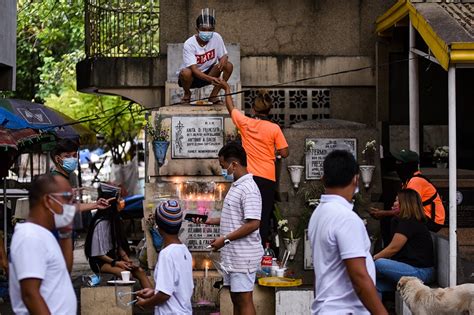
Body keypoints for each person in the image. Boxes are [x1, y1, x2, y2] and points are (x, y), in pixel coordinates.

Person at [308, 150, 387, 315]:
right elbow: (359, 277)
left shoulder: (319, 213)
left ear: (323, 179)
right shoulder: (346, 219)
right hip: (344, 310)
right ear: (356, 179)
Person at [219, 78, 289, 244]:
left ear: (253, 109)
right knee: (263, 217)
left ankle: (243, 246)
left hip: (248, 178)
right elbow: (285, 152)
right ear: (269, 110)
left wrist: (226, 87)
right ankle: (260, 252)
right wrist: (274, 150)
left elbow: (231, 107)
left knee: (245, 216)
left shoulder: (246, 123)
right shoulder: (274, 128)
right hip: (267, 178)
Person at [198, 143, 263, 315]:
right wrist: (211, 221)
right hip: (234, 256)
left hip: (244, 256)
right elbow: (237, 218)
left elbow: (253, 223)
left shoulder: (249, 189)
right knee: (236, 299)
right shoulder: (237, 186)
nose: (223, 170)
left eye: (223, 166)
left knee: (244, 299)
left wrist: (224, 239)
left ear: (234, 164)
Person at [9, 174, 77, 314]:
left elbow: (63, 272)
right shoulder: (30, 237)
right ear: (47, 200)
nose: (72, 205)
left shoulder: (43, 234)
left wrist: (66, 233)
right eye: (66, 197)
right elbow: (30, 294)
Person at [84, 183, 151, 288]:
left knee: (140, 271)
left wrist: (127, 260)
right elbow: (98, 254)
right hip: (100, 262)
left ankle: (149, 299)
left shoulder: (115, 220)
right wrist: (116, 263)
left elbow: (118, 245)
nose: (122, 201)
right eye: (119, 199)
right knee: (126, 275)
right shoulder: (100, 223)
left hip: (113, 259)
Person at [136, 200, 193, 314]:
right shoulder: (184, 250)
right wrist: (153, 292)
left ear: (158, 226)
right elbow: (175, 288)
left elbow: (164, 295)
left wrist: (145, 304)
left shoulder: (166, 254)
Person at [373, 188, 435, 294]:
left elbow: (393, 249)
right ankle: (374, 311)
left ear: (405, 204)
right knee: (373, 285)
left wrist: (370, 259)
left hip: (421, 272)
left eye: (397, 200)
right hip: (409, 269)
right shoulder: (400, 221)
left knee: (379, 263)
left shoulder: (409, 222)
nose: (394, 203)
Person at [370, 149, 445, 234]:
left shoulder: (416, 181)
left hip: (432, 221)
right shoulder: (407, 181)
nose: (396, 165)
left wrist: (383, 213)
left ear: (408, 165)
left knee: (397, 221)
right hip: (421, 216)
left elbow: (407, 208)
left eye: (399, 162)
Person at [178, 10, 233, 104]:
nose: (207, 32)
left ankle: (213, 96)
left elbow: (223, 55)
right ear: (197, 29)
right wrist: (211, 79)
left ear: (214, 29)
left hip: (210, 72)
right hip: (192, 77)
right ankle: (187, 94)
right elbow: (194, 70)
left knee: (228, 65)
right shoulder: (189, 43)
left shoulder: (217, 37)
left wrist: (224, 58)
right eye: (203, 29)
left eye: (210, 29)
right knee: (185, 72)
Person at [50, 139, 110, 212]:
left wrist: (96, 205)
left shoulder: (65, 177)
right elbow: (63, 209)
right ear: (58, 159)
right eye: (67, 156)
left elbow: (70, 207)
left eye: (74, 155)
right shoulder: (56, 180)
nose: (72, 159)